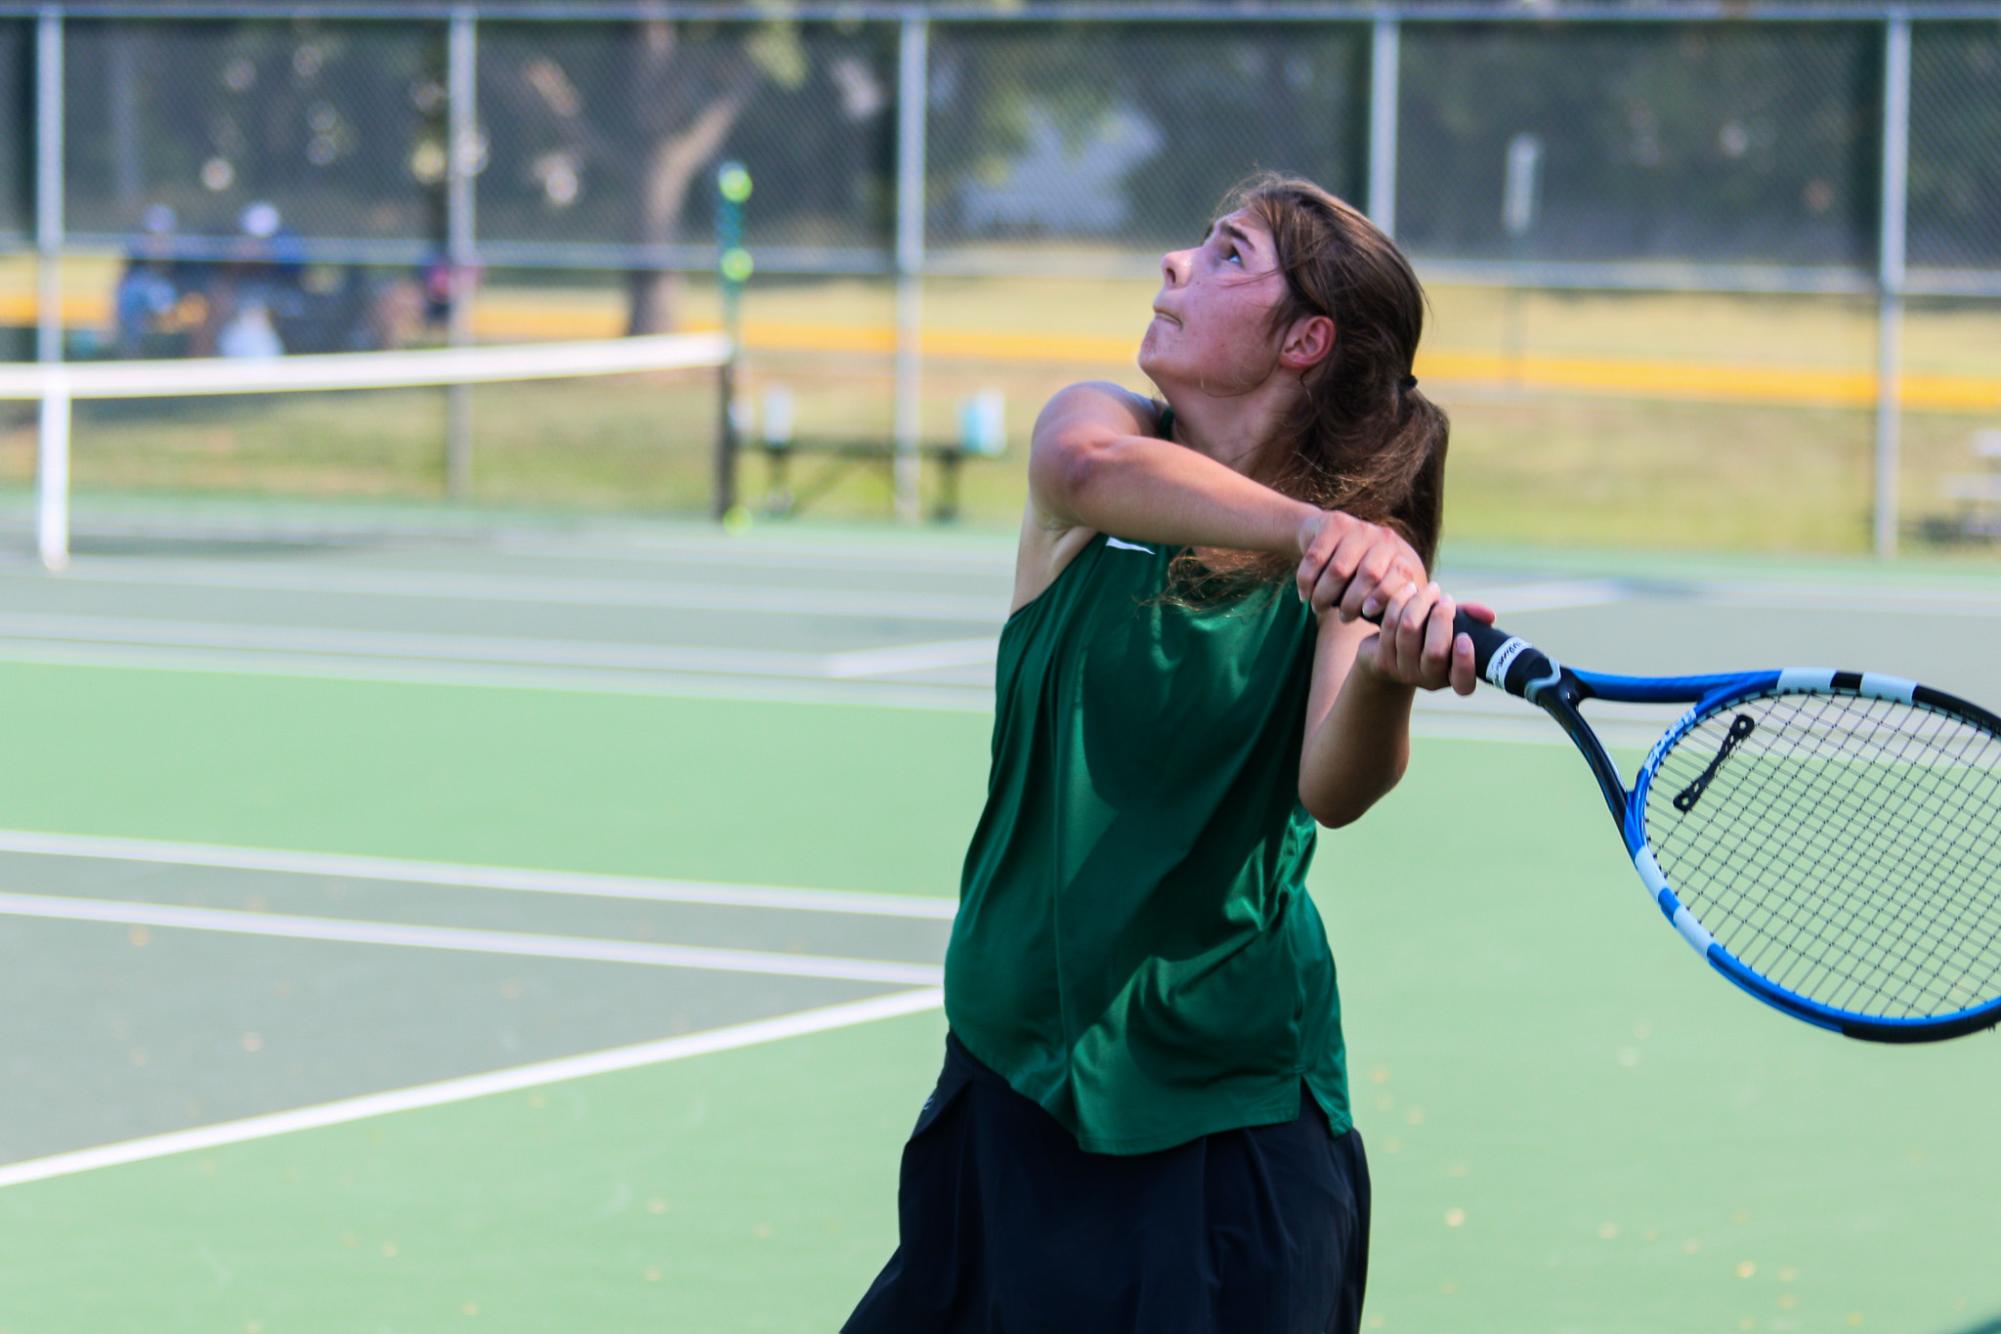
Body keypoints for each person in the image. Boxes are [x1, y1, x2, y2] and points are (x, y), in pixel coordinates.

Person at [843, 173, 1491, 1334]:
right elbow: (1087, 473)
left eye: (1227, 253)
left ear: (1305, 339)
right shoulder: (1095, 441)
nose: (1175, 265)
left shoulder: (1355, 563)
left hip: (1221, 1124)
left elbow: (1332, 789)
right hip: (1007, 1082)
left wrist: (1390, 672)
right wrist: (1313, 529)